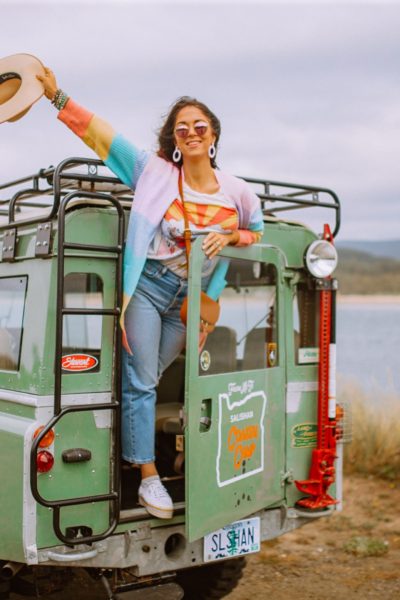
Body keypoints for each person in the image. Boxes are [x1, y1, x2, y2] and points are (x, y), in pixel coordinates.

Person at [37, 67, 264, 519]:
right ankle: (147, 477)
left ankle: (130, 440)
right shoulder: (153, 172)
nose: (192, 132)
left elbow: (256, 233)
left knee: (146, 379)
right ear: (174, 140)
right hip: (148, 289)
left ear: (213, 134)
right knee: (142, 382)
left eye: (200, 126)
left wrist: (231, 242)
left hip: (191, 301)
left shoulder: (238, 191)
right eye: (182, 128)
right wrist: (56, 96)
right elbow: (102, 137)